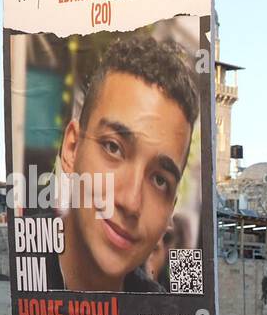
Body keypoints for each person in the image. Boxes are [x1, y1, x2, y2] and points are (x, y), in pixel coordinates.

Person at [50, 33, 199, 293]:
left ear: (171, 210)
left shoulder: (165, 313)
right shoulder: (20, 264)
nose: (131, 202)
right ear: (72, 148)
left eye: (159, 180)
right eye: (113, 148)